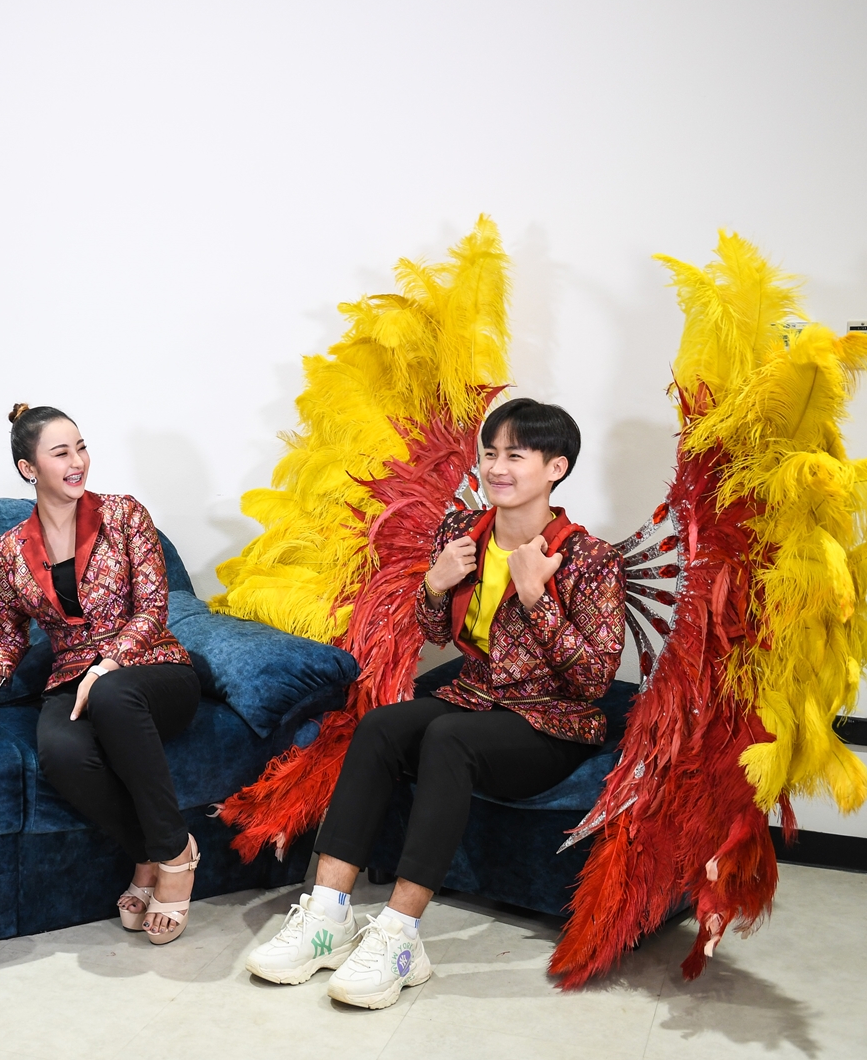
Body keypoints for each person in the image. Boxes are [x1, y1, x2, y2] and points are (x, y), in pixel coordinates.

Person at [245, 398, 626, 1008]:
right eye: (490, 453)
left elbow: (593, 679)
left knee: (448, 740)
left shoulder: (589, 558)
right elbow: (437, 633)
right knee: (381, 727)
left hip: (551, 721)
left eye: (516, 456)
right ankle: (327, 917)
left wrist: (537, 597)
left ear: (556, 468)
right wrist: (434, 583)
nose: (497, 468)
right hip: (474, 696)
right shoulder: (462, 534)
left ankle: (399, 938)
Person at [0, 404, 203, 943]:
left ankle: (174, 856)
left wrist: (108, 665)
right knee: (61, 754)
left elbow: (153, 609)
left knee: (112, 694)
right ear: (29, 468)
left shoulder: (124, 514)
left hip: (152, 667)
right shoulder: (9, 551)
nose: (78, 462)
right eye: (61, 453)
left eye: (82, 448)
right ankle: (148, 852)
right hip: (71, 678)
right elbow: (9, 636)